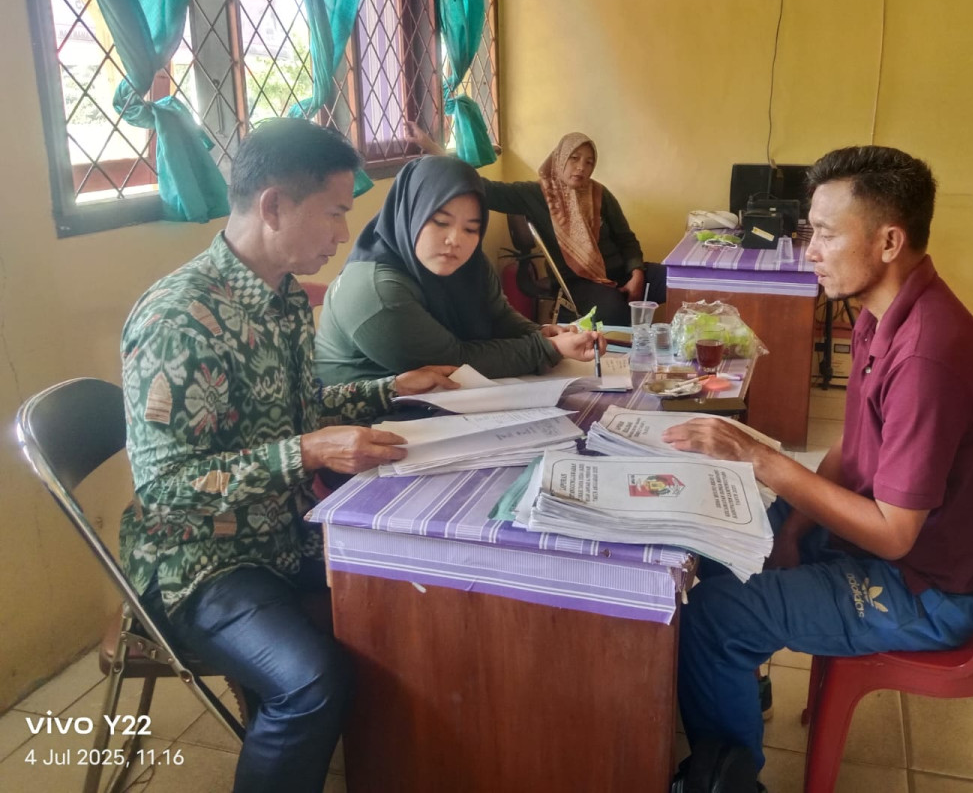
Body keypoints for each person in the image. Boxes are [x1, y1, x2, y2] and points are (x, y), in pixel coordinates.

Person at [120, 118, 458, 793]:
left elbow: (301, 411)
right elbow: (165, 489)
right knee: (309, 683)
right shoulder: (177, 319)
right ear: (273, 206)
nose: (343, 233)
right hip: (199, 563)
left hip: (283, 532)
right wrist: (306, 452)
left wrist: (392, 388)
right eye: (334, 213)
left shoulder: (282, 298)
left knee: (423, 594)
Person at [664, 145, 973, 781]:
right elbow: (853, 449)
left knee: (715, 617)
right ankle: (731, 690)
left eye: (824, 234)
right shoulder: (883, 315)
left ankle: (727, 775)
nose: (809, 253)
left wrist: (762, 460)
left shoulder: (928, 354)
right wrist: (792, 530)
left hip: (927, 591)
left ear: (888, 241)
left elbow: (894, 535)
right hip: (883, 549)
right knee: (713, 543)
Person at [314, 155, 604, 384]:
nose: (455, 240)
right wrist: (550, 349)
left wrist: (543, 333)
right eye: (441, 222)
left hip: (438, 405)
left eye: (471, 228)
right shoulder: (377, 292)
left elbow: (497, 316)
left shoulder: (470, 264)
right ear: (411, 214)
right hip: (367, 423)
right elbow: (454, 362)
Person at [407, 125, 665, 326]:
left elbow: (626, 239)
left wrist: (637, 274)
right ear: (560, 159)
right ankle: (627, 364)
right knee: (614, 309)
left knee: (676, 280)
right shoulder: (536, 195)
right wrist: (434, 148)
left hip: (621, 272)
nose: (581, 167)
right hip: (578, 282)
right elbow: (483, 187)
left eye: (589, 162)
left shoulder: (600, 194)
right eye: (574, 158)